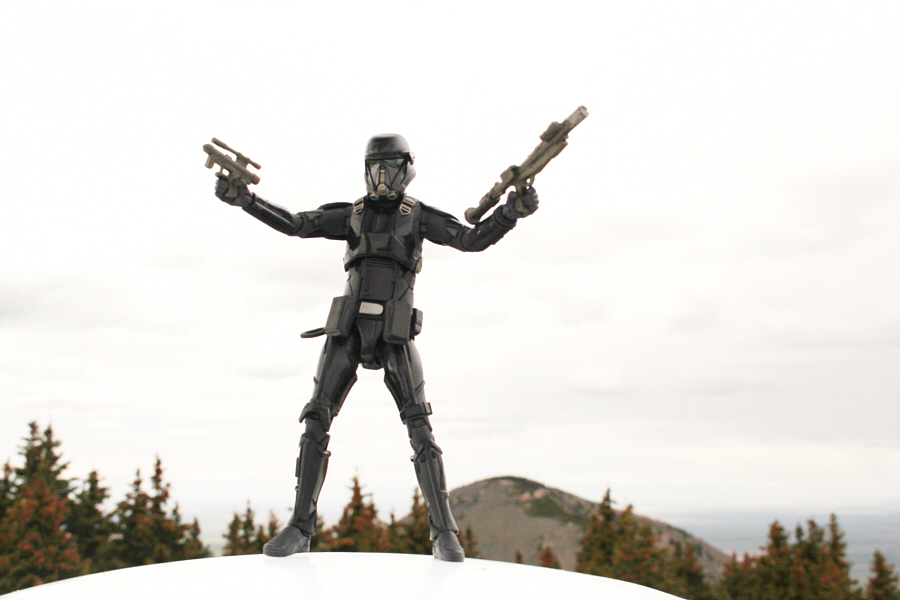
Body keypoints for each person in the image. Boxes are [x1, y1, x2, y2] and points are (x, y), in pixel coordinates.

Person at [213, 134, 538, 561]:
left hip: (394, 330)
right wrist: (247, 201)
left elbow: (469, 239)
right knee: (316, 418)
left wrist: (510, 214)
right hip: (347, 327)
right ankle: (300, 526)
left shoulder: (417, 215)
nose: (381, 176)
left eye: (389, 167)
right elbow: (296, 224)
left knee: (420, 426)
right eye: (375, 167)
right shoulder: (352, 214)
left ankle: (444, 532)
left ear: (406, 169)